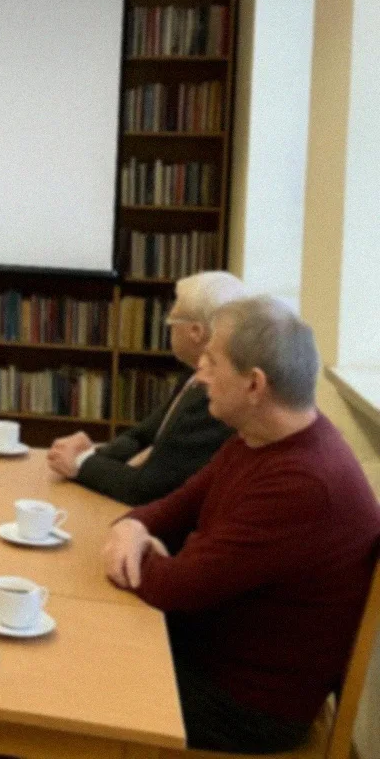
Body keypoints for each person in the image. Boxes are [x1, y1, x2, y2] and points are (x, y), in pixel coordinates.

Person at [103, 296, 380, 754]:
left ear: (254, 384)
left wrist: (136, 546)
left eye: (212, 362)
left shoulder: (304, 484)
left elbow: (175, 588)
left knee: (60, 681)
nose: (199, 376)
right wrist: (132, 529)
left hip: (244, 708)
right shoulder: (256, 438)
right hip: (205, 653)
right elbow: (171, 508)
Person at [47, 270, 246, 505]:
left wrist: (80, 463)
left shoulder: (213, 399)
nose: (168, 327)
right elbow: (141, 436)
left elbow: (148, 489)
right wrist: (92, 453)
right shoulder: (192, 375)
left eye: (172, 321)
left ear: (195, 332)